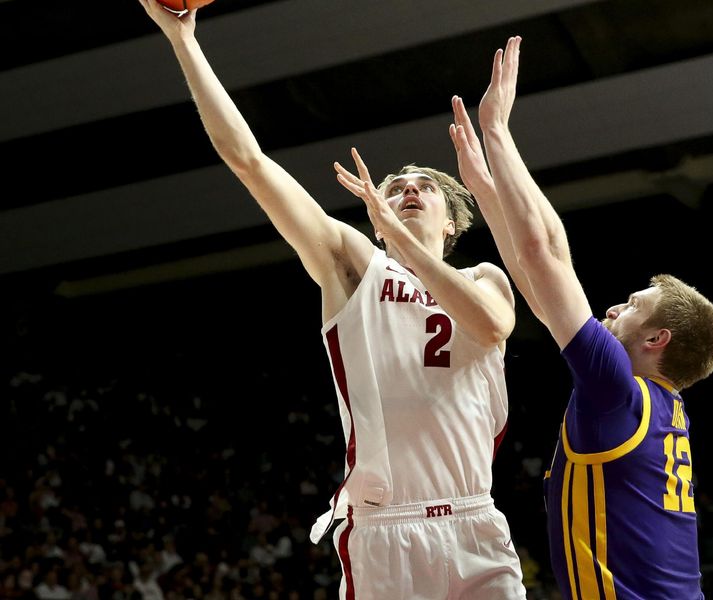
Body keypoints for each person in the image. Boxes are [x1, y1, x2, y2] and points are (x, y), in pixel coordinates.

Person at [137, 2, 526, 598]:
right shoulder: (355, 267)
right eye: (395, 189)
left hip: (476, 521)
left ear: (453, 223)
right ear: (376, 219)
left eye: (424, 187)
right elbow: (248, 161)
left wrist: (403, 244)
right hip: (386, 529)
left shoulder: (484, 277)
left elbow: (492, 328)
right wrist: (183, 40)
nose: (409, 190)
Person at [449, 36, 713, 599]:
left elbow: (545, 256)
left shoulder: (617, 392)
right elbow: (541, 285)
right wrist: (486, 186)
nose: (612, 309)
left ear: (657, 337)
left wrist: (499, 133)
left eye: (631, 306)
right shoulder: (652, 403)